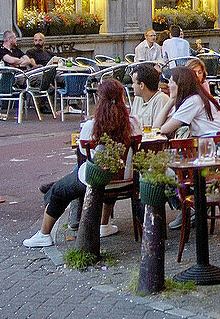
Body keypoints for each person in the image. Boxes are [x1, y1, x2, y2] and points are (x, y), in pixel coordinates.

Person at [24, 79, 141, 247]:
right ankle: (104, 224)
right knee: (108, 172)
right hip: (126, 179)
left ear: (100, 100)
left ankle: (44, 234)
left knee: (59, 190)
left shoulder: (91, 126)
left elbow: (82, 152)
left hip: (97, 180)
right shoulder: (134, 123)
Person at [158, 65, 220, 137]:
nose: (168, 85)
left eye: (171, 82)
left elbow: (164, 130)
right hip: (208, 140)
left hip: (213, 142)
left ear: (180, 84)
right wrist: (171, 100)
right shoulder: (191, 99)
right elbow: (157, 127)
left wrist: (172, 98)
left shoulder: (194, 101)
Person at [129, 64, 169, 130]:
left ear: (142, 85)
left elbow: (156, 130)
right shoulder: (138, 98)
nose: (132, 86)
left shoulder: (161, 99)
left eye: (134, 83)